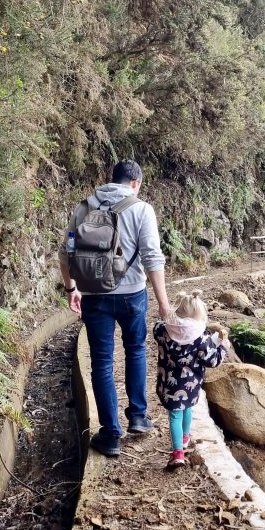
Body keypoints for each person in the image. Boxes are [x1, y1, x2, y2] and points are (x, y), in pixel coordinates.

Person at [58, 159, 170, 457]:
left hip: (94, 296)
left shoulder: (84, 208)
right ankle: (138, 417)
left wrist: (72, 289)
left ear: (112, 180)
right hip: (133, 295)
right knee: (135, 349)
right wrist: (163, 303)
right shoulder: (142, 209)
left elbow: (64, 253)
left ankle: (109, 435)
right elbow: (152, 258)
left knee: (102, 362)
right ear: (135, 183)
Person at [153, 292, 229, 469]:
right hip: (191, 386)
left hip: (168, 385)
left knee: (174, 415)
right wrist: (223, 347)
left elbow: (157, 328)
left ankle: (178, 451)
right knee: (187, 408)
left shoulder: (162, 330)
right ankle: (183, 441)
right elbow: (213, 360)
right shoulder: (201, 340)